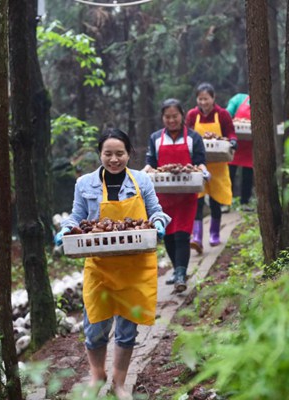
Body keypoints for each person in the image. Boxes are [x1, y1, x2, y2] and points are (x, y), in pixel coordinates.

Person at [54, 128, 171, 399]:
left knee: (127, 330)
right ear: (100, 155)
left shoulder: (142, 180)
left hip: (135, 266)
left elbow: (155, 211)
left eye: (120, 153)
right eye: (108, 153)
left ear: (129, 153)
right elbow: (77, 217)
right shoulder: (85, 183)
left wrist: (157, 224)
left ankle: (119, 383)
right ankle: (97, 375)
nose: (114, 159)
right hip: (100, 265)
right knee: (95, 328)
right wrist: (65, 229)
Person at [144, 99, 209, 292]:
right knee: (169, 237)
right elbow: (151, 163)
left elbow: (200, 162)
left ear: (182, 116)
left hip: (187, 195)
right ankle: (177, 269)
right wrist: (142, 173)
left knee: (182, 234)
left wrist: (204, 172)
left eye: (175, 116)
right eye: (167, 117)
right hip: (162, 196)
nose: (171, 120)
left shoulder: (194, 138)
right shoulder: (155, 138)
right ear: (162, 118)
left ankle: (181, 274)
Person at [185, 83, 237, 254]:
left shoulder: (222, 114)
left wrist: (232, 141)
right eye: (200, 99)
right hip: (198, 165)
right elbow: (187, 134)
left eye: (206, 99)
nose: (203, 102)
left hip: (219, 166)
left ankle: (214, 234)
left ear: (213, 98)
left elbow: (230, 133)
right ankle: (197, 237)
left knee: (216, 202)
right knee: (197, 200)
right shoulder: (192, 115)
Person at [226, 93, 254, 210]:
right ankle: (226, 201)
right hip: (235, 142)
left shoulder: (264, 103)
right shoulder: (239, 98)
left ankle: (245, 202)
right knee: (229, 173)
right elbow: (227, 114)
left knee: (248, 174)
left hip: (250, 144)